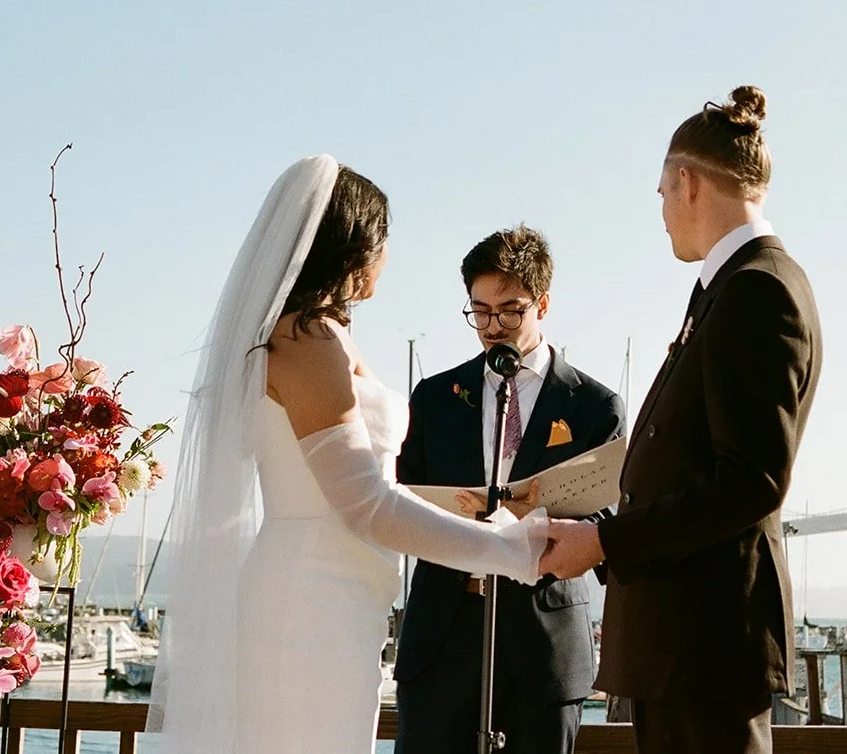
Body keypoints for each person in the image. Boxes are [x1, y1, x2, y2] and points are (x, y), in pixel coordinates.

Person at [149, 156, 549, 754]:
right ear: (358, 246)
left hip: (338, 592)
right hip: (311, 602)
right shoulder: (309, 341)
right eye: (384, 239)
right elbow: (363, 503)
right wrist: (505, 550)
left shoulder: (311, 336)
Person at [538, 86, 822, 754]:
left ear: (687, 182)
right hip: (688, 645)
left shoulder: (758, 290)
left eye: (662, 192)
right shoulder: (737, 285)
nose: (662, 211)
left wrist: (605, 541)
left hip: (706, 646)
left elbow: (750, 479)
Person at [395, 225, 625, 754]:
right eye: (479, 311)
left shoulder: (594, 405)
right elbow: (402, 501)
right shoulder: (434, 398)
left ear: (542, 304)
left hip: (542, 646)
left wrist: (537, 521)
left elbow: (607, 522)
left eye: (510, 310)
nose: (492, 326)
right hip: (444, 638)